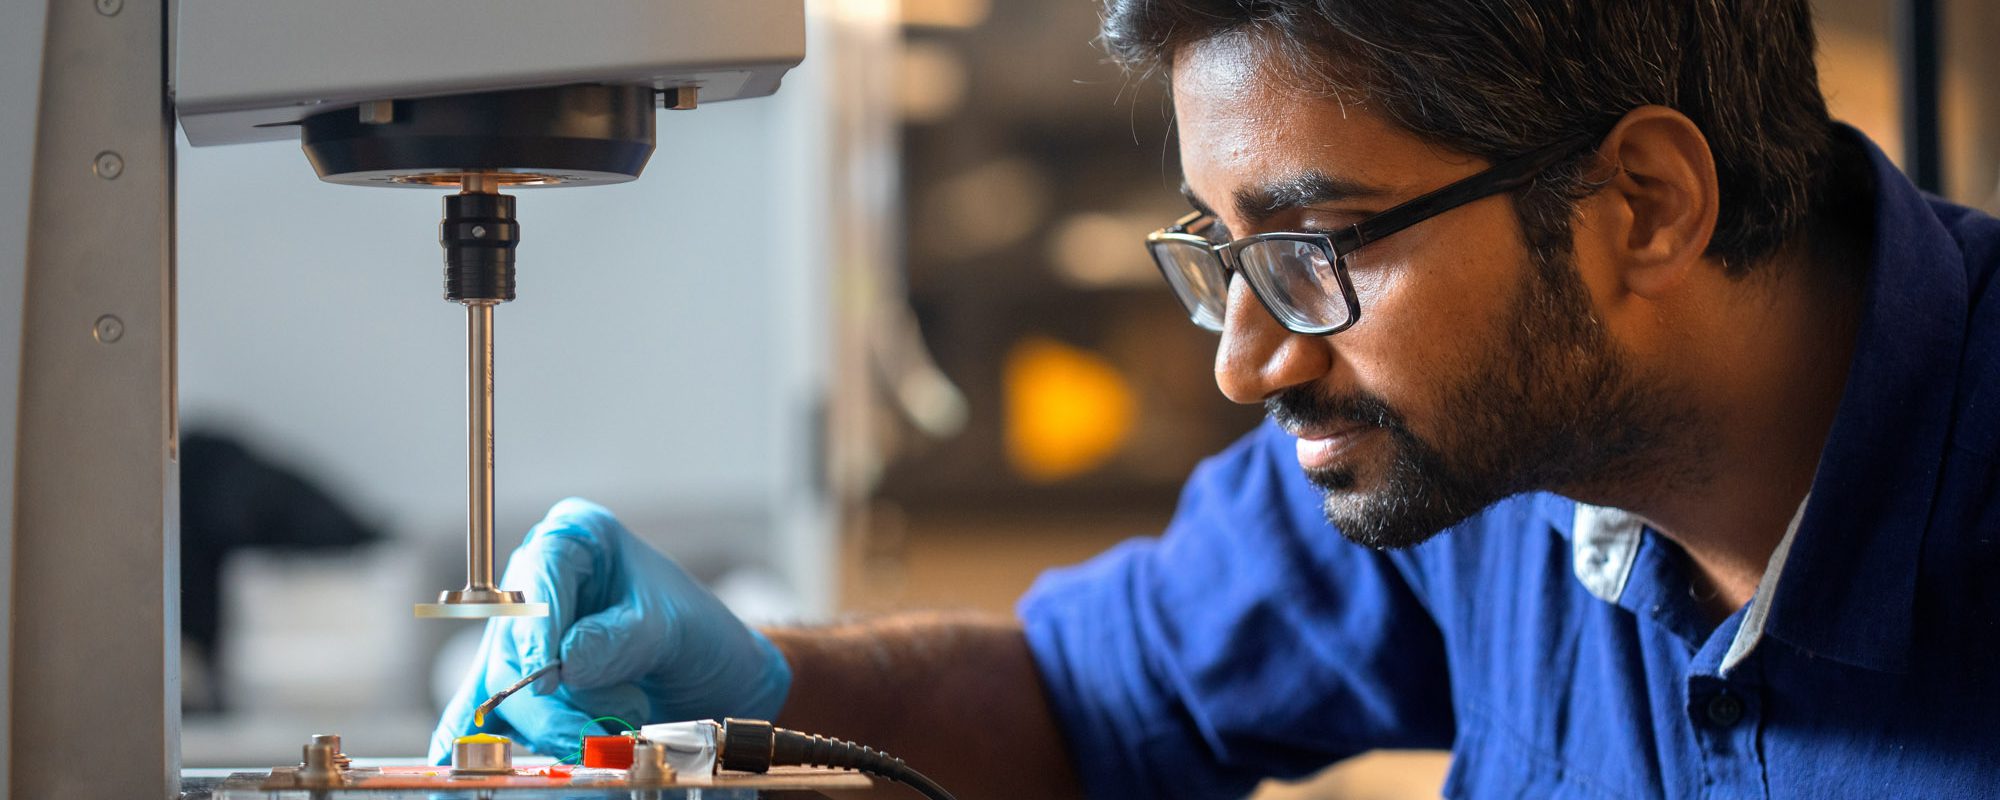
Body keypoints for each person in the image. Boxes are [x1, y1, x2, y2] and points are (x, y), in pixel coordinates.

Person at [432, 1, 2000, 797]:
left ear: (1644, 204)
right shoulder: (1472, 459)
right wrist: (740, 704)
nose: (1248, 359)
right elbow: (1092, 705)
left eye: (1314, 248)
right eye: (1223, 254)